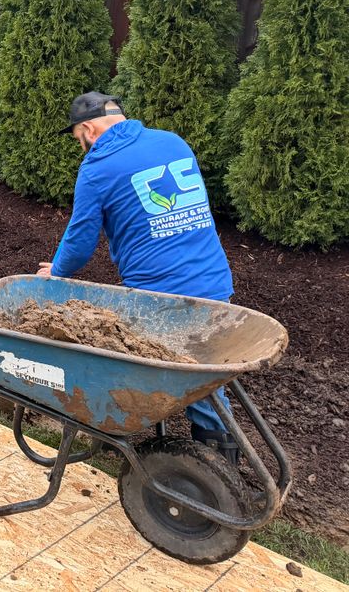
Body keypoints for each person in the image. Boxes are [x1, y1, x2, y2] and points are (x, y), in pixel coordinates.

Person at [38, 91, 239, 463]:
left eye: (78, 140)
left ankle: (203, 470)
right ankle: (221, 458)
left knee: (142, 361)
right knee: (203, 375)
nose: (81, 147)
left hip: (159, 296)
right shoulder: (172, 142)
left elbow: (80, 241)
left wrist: (57, 271)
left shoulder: (98, 168)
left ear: (88, 128)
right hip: (213, 281)